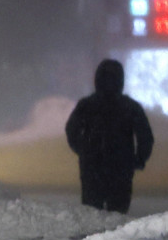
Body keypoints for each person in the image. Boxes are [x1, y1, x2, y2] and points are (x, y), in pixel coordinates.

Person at [64, 58, 154, 214]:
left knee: (92, 214)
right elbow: (145, 136)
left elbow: (71, 130)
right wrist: (139, 159)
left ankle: (93, 239)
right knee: (117, 216)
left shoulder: (87, 105)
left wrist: (84, 150)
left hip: (92, 167)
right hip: (121, 167)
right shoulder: (130, 107)